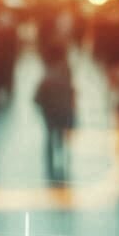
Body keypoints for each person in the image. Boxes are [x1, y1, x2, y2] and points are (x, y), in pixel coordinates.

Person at [34, 46, 76, 181]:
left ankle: (50, 163)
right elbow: (71, 90)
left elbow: (37, 97)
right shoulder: (67, 71)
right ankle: (63, 156)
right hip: (64, 110)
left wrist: (41, 105)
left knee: (50, 135)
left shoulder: (48, 75)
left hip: (50, 112)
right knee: (62, 135)